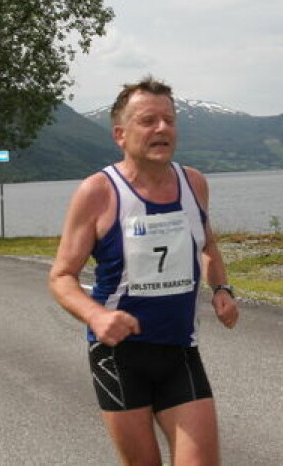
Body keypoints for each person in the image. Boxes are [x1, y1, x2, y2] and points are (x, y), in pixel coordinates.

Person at [49, 76, 239, 466]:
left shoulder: (194, 184)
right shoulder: (98, 192)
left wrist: (222, 288)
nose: (162, 129)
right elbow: (62, 276)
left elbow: (208, 245)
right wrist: (96, 315)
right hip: (119, 356)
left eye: (169, 120)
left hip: (179, 349)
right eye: (148, 121)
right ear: (121, 134)